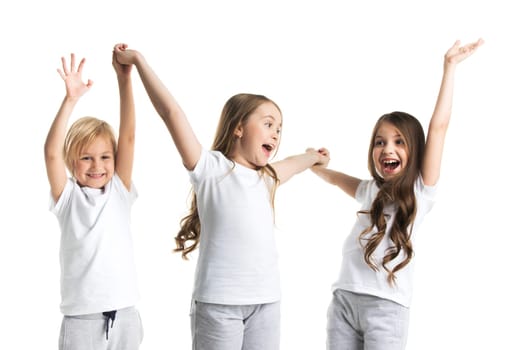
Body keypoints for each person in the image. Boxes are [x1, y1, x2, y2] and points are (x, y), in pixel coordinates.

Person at [113, 43, 329, 350]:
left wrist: (314, 157)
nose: (276, 134)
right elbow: (171, 113)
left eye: (279, 129)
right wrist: (138, 62)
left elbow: (294, 164)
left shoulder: (266, 178)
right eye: (268, 124)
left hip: (266, 303)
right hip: (218, 305)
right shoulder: (210, 168)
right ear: (239, 128)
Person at [310, 38, 484, 350]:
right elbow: (335, 178)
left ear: (415, 150)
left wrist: (449, 67)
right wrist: (315, 163)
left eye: (399, 141)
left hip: (386, 308)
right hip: (344, 302)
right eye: (380, 142)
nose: (387, 148)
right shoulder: (369, 190)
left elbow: (439, 127)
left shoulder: (420, 190)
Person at [44, 45, 143, 350]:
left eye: (105, 157)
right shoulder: (68, 198)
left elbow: (127, 135)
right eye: (86, 158)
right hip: (81, 319)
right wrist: (70, 100)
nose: (97, 166)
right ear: (72, 160)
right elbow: (50, 153)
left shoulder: (119, 190)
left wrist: (124, 79)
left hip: (125, 314)